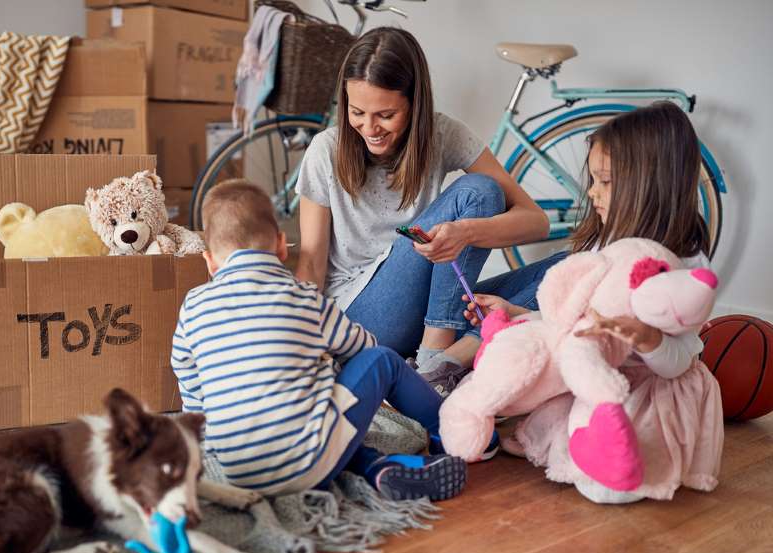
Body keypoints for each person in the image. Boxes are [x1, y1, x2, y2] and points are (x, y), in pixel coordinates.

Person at [463, 101, 723, 503]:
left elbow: (680, 362)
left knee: (612, 478)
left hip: (649, 387)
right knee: (519, 372)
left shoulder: (681, 266)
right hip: (597, 368)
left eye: (604, 181)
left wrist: (647, 339)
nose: (590, 192)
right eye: (594, 178)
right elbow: (579, 320)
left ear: (647, 186)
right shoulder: (606, 243)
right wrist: (518, 313)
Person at [170, 179, 468, 501]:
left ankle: (378, 469)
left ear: (209, 261)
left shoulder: (193, 305)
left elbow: (190, 383)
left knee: (319, 421)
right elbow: (363, 348)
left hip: (237, 471)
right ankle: (451, 431)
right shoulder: (303, 298)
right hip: (308, 460)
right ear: (282, 246)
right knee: (380, 363)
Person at [294, 26, 549, 396]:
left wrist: (466, 233)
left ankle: (446, 359)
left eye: (385, 114)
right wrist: (300, 350)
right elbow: (311, 264)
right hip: (360, 319)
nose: (369, 128)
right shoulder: (325, 151)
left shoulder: (443, 134)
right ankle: (438, 360)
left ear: (415, 103)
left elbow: (536, 222)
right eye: (357, 112)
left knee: (566, 273)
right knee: (478, 192)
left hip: (426, 315)